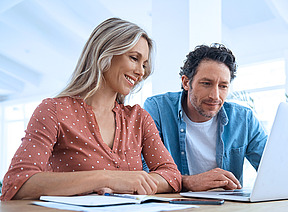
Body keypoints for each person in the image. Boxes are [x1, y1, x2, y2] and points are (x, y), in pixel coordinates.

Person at [1, 18, 181, 201]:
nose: (141, 72)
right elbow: (17, 183)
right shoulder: (53, 110)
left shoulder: (138, 118)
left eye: (144, 65)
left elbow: (172, 176)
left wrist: (134, 183)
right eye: (134, 58)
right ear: (105, 53)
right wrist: (106, 178)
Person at [143, 43, 267, 192]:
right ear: (186, 82)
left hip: (228, 208)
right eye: (206, 83)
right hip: (173, 207)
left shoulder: (244, 119)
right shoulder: (158, 108)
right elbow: (144, 173)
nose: (215, 96)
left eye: (223, 86)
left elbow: (272, 168)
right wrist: (188, 182)